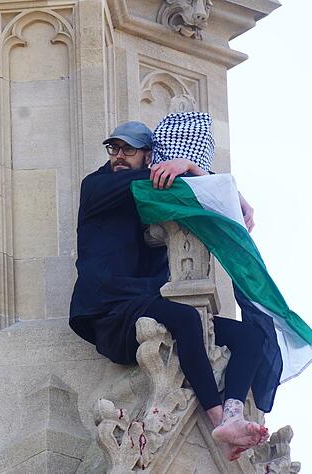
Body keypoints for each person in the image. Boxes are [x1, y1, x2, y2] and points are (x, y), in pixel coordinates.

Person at [69, 119, 274, 461]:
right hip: (108, 309)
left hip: (141, 300)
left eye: (128, 150)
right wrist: (195, 170)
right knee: (186, 320)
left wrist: (215, 184)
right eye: (114, 148)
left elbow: (188, 193)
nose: (118, 156)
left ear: (148, 155)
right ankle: (217, 418)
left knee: (251, 338)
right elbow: (178, 185)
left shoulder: (146, 189)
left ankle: (235, 412)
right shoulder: (98, 186)